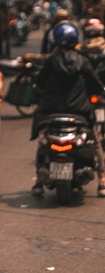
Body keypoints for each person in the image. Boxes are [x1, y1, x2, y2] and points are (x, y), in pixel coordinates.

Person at [30, 23, 104, 196]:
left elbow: (39, 83)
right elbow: (95, 84)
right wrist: (99, 93)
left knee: (43, 138)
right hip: (79, 112)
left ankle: (39, 180)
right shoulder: (83, 60)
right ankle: (102, 179)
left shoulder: (50, 61)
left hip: (51, 112)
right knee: (96, 139)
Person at [79, 18, 105, 196]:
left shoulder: (79, 51)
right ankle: (102, 178)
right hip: (101, 96)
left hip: (86, 98)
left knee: (92, 136)